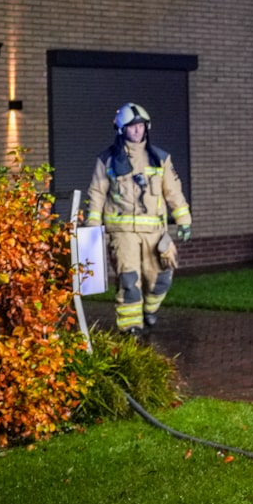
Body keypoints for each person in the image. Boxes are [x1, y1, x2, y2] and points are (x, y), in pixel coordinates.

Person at [84, 103, 191, 333]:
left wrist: (184, 220)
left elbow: (173, 191)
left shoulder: (160, 158)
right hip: (122, 234)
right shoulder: (108, 160)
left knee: (161, 279)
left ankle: (149, 310)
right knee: (129, 280)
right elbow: (97, 193)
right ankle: (131, 326)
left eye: (141, 126)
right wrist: (92, 227)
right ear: (122, 130)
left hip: (155, 235)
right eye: (132, 127)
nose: (137, 131)